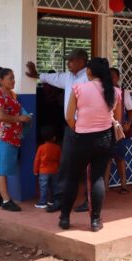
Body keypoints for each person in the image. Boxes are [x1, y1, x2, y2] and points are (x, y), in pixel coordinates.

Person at [60, 57, 122, 232]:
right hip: (105, 139)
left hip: (81, 138)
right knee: (98, 178)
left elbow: (69, 116)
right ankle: (95, 221)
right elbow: (117, 118)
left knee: (72, 178)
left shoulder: (79, 88)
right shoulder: (115, 91)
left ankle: (64, 218)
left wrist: (77, 129)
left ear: (89, 72)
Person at [26, 49, 89, 213]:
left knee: (88, 167)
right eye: (67, 60)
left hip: (87, 128)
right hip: (71, 127)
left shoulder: (88, 78)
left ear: (82, 61)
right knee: (66, 165)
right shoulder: (69, 77)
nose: (68, 63)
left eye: (71, 60)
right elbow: (54, 78)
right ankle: (60, 201)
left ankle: (89, 201)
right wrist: (37, 74)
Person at [0, 67, 31, 212]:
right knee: (1, 170)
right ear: (1, 80)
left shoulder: (11, 95)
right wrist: (19, 118)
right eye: (10, 78)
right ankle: (6, 200)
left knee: (0, 167)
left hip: (12, 137)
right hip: (2, 137)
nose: (13, 81)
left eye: (13, 78)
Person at [106, 67, 132, 194]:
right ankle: (105, 185)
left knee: (120, 157)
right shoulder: (103, 91)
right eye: (109, 76)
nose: (111, 78)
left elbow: (131, 109)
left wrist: (128, 123)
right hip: (105, 128)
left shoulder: (124, 92)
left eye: (114, 76)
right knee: (106, 158)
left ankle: (124, 185)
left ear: (118, 78)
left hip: (118, 129)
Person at [33, 126, 61, 209]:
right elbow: (60, 159)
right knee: (54, 186)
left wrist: (35, 170)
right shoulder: (57, 148)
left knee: (43, 187)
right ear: (54, 138)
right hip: (55, 170)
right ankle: (53, 201)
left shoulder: (41, 148)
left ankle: (42, 202)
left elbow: (37, 160)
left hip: (43, 171)